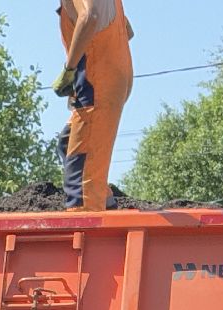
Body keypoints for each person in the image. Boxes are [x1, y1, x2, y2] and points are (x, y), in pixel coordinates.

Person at [52, 0, 135, 211]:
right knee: (67, 142)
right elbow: (127, 31)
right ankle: (106, 202)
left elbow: (89, 17)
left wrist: (70, 69)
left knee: (81, 183)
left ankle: (86, 224)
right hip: (113, 76)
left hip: (98, 82)